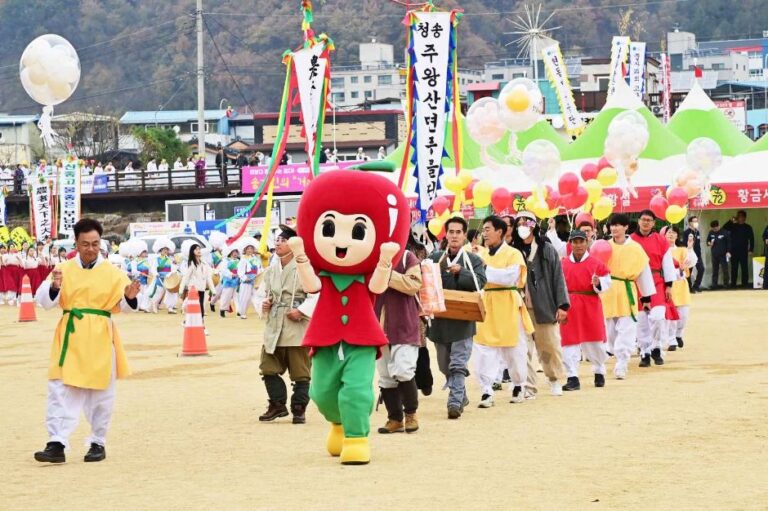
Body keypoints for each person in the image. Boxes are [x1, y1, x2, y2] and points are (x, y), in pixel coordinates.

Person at [33, 218, 141, 463]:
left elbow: (126, 305)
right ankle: (56, 442)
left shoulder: (113, 273)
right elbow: (44, 301)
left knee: (101, 392)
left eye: (95, 243)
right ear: (76, 243)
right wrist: (55, 287)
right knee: (60, 388)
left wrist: (130, 297)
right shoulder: (62, 269)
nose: (91, 249)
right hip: (70, 336)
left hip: (100, 336)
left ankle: (97, 442)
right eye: (85, 244)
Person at [253, 225, 317, 423]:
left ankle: (299, 409)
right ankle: (277, 404)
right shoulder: (271, 270)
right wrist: (264, 304)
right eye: (277, 240)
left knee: (301, 373)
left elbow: (316, 294)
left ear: (294, 245)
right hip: (274, 325)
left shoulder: (305, 268)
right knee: (267, 367)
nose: (278, 243)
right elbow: (260, 294)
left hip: (296, 325)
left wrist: (302, 310)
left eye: (283, 240)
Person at [427, 216, 487, 419]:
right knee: (444, 365)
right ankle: (461, 395)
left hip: (463, 320)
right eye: (451, 232)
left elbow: (481, 282)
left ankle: (454, 403)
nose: (454, 236)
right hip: (440, 320)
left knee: (458, 363)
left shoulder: (474, 260)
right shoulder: (435, 258)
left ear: (464, 235)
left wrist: (462, 271)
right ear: (446, 235)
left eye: (458, 232)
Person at [474, 215, 534, 407]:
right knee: (484, 348)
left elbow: (509, 277)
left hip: (507, 303)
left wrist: (484, 269)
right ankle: (486, 390)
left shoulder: (513, 253)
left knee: (513, 347)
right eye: (483, 230)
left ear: (499, 231)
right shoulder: (481, 254)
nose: (484, 233)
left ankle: (518, 384)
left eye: (488, 229)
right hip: (486, 304)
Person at [512, 211, 569, 398]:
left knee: (549, 346)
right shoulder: (513, 251)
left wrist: (562, 305)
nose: (522, 227)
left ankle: (554, 379)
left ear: (534, 225)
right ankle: (528, 386)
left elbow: (558, 277)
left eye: (526, 223)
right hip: (520, 307)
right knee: (522, 349)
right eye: (519, 223)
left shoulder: (546, 249)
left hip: (544, 305)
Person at [374, 239, 423, 434]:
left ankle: (411, 413)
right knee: (385, 375)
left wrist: (386, 273)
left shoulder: (407, 257)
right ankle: (394, 418)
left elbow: (413, 284)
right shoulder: (370, 256)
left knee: (403, 369)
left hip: (404, 324)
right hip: (378, 325)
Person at [601, 214, 655, 379]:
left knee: (627, 328)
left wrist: (646, 297)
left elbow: (644, 272)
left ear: (626, 227)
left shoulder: (636, 248)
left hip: (626, 290)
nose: (614, 228)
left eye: (618, 225)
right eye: (612, 225)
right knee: (610, 331)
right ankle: (612, 352)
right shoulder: (604, 246)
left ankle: (622, 363)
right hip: (608, 290)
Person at [559, 230, 612, 390]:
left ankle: (599, 370)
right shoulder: (563, 264)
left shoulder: (596, 263)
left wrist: (598, 283)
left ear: (587, 242)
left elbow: (607, 281)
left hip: (590, 304)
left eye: (581, 241)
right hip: (569, 305)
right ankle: (572, 376)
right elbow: (557, 285)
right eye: (575, 242)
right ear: (570, 244)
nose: (578, 245)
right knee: (569, 341)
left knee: (594, 340)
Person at [631, 210, 678, 367]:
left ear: (653, 223)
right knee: (641, 320)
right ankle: (645, 352)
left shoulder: (661, 240)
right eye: (643, 219)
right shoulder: (630, 241)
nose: (646, 222)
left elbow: (668, 264)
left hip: (657, 281)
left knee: (658, 317)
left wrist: (669, 285)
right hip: (637, 282)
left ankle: (656, 347)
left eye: (649, 220)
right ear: (639, 221)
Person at [666, 227, 697, 351]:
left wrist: (690, 248)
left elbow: (691, 262)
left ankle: (678, 334)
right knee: (671, 314)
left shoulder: (682, 250)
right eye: (668, 232)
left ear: (677, 236)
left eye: (673, 232)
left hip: (681, 285)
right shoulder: (662, 251)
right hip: (668, 285)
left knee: (683, 315)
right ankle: (671, 340)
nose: (671, 234)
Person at [178, 243, 216, 335]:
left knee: (199, 308)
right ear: (192, 252)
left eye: (199, 249)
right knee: (199, 308)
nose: (198, 251)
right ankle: (203, 327)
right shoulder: (191, 264)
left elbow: (208, 277)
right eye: (196, 249)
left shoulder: (204, 263)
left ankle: (186, 321)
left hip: (202, 289)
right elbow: (185, 277)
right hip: (193, 289)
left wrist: (213, 289)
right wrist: (181, 289)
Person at [724, 210, 754, 288]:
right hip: (733, 251)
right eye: (738, 216)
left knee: (744, 268)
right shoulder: (733, 226)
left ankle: (745, 283)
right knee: (734, 268)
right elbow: (724, 228)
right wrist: (731, 221)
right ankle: (733, 283)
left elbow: (751, 239)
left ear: (744, 218)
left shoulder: (748, 227)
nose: (739, 218)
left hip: (743, 250)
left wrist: (751, 249)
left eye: (740, 216)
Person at [149, 238, 178, 314]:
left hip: (168, 279)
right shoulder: (157, 259)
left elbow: (173, 269)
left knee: (170, 293)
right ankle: (154, 305)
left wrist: (175, 264)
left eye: (167, 249)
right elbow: (153, 269)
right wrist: (156, 274)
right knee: (159, 294)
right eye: (164, 249)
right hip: (160, 278)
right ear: (160, 250)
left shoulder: (170, 259)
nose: (165, 251)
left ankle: (170, 308)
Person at [237, 238, 262, 319]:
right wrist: (244, 278)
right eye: (248, 248)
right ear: (245, 250)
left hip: (256, 280)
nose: (250, 250)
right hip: (247, 281)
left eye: (251, 248)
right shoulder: (243, 259)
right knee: (245, 297)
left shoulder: (256, 258)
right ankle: (242, 313)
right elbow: (240, 271)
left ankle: (260, 312)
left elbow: (259, 268)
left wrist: (260, 275)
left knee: (257, 296)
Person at [707, 220, 731, 289]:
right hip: (714, 254)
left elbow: (729, 242)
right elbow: (707, 241)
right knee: (715, 270)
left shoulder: (725, 232)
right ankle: (714, 284)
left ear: (718, 226)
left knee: (725, 270)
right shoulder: (711, 232)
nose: (714, 230)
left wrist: (728, 251)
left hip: (723, 254)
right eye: (713, 229)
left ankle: (726, 284)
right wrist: (709, 243)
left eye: (715, 228)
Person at [217, 246, 240, 317]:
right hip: (228, 281)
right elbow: (224, 270)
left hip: (237, 281)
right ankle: (222, 309)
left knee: (237, 297)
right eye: (233, 252)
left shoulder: (239, 261)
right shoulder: (226, 260)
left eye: (236, 252)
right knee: (226, 296)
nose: (235, 254)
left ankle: (239, 311)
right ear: (230, 253)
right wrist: (231, 274)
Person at [683, 216, 704, 293]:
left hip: (698, 255)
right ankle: (689, 287)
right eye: (694, 221)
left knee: (701, 269)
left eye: (696, 221)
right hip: (690, 255)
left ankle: (696, 285)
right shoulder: (686, 232)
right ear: (690, 223)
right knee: (689, 271)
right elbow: (685, 244)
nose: (696, 223)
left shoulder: (697, 232)